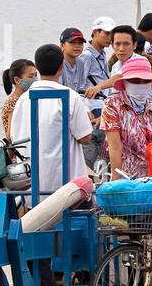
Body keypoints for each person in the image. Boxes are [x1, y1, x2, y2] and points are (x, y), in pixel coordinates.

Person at [11, 44, 93, 197]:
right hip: (68, 193)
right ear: (62, 67)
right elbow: (85, 137)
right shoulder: (71, 96)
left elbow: (15, 138)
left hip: (31, 191)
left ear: (37, 68)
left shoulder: (22, 99)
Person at [100, 54, 152, 179]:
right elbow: (115, 147)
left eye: (145, 81)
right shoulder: (113, 105)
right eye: (135, 81)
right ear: (125, 83)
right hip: (126, 177)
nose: (141, 84)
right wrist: (116, 183)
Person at [85, 25, 138, 98]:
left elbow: (119, 77)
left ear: (134, 45)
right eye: (117, 44)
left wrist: (98, 87)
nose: (121, 49)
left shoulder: (140, 61)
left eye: (126, 44)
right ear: (112, 45)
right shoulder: (115, 66)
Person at [1, 58, 37, 140]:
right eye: (31, 76)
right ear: (17, 80)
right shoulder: (14, 102)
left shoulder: (25, 98)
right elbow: (10, 135)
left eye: (36, 75)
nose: (35, 79)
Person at [82, 18, 116, 95]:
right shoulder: (87, 56)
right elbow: (81, 84)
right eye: (107, 33)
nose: (110, 37)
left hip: (103, 101)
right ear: (95, 32)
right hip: (93, 103)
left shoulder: (102, 53)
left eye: (112, 34)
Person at [59, 28, 90, 92]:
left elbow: (81, 86)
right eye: (73, 43)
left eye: (80, 43)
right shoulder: (57, 62)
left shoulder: (80, 61)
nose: (77, 46)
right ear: (62, 45)